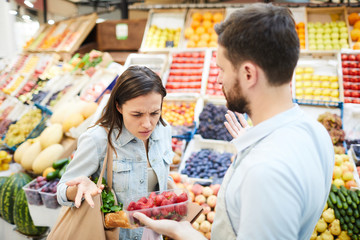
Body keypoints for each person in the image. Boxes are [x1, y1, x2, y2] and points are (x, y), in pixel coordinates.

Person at [133, 3, 334, 240]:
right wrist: (255, 145)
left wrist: (185, 233)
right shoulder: (316, 133)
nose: (218, 79)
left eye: (222, 69)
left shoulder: (265, 173)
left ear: (248, 74)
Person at [57, 65, 175, 239]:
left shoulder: (164, 131)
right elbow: (61, 191)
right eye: (137, 114)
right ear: (118, 106)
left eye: (155, 113)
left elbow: (161, 179)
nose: (148, 124)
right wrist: (79, 189)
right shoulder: (97, 139)